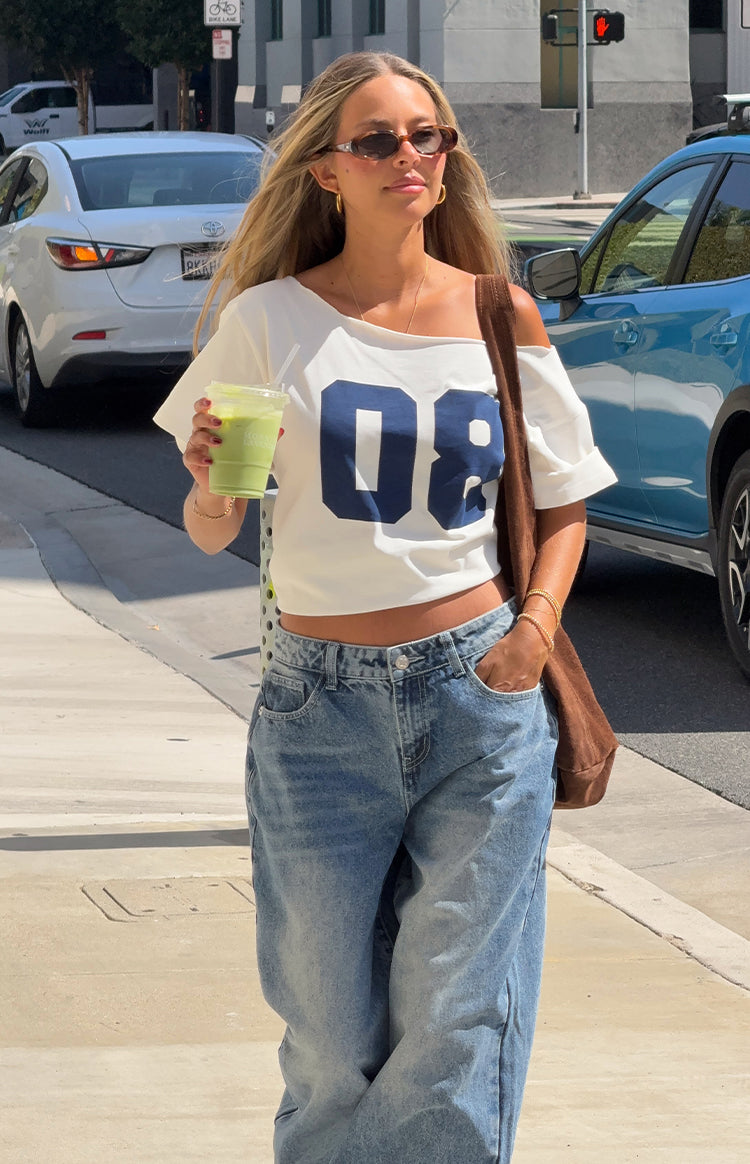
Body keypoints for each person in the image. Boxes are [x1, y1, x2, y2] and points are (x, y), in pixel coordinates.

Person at [154, 50, 616, 1164]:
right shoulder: (268, 322)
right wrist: (214, 483)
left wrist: (531, 636)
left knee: (460, 1021)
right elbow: (214, 529)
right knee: (327, 1036)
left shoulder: (497, 313)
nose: (411, 156)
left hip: (479, 692)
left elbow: (564, 504)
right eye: (379, 140)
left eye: (429, 134)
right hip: (318, 712)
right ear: (326, 171)